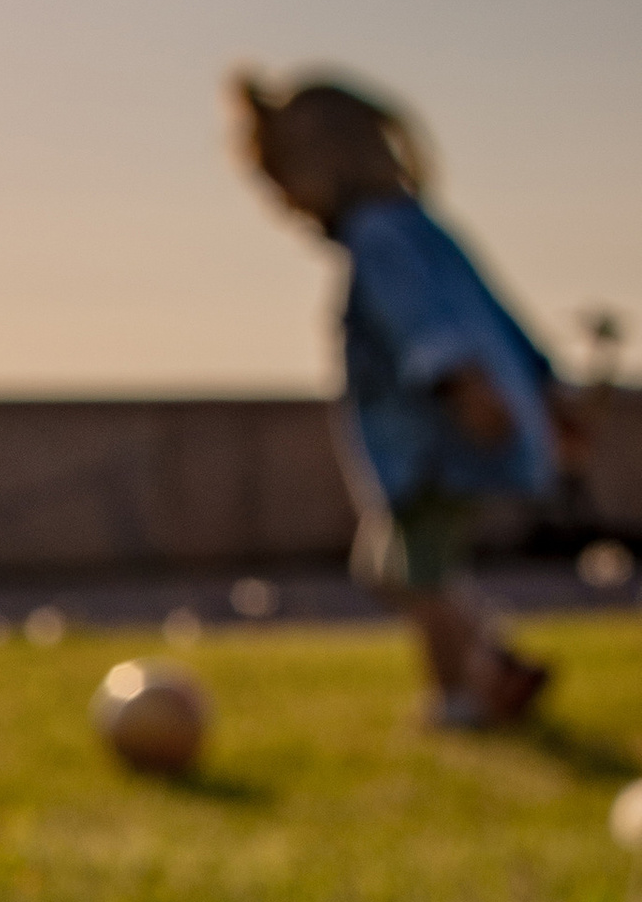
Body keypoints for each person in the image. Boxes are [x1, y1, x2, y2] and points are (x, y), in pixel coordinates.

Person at [232, 69, 588, 728]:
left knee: (417, 573)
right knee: (394, 568)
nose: (282, 205)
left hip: (433, 445)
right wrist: (548, 391)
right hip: (450, 439)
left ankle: (457, 699)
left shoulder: (379, 238)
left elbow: (425, 327)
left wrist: (468, 389)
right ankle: (497, 664)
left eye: (282, 185)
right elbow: (499, 315)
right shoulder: (419, 228)